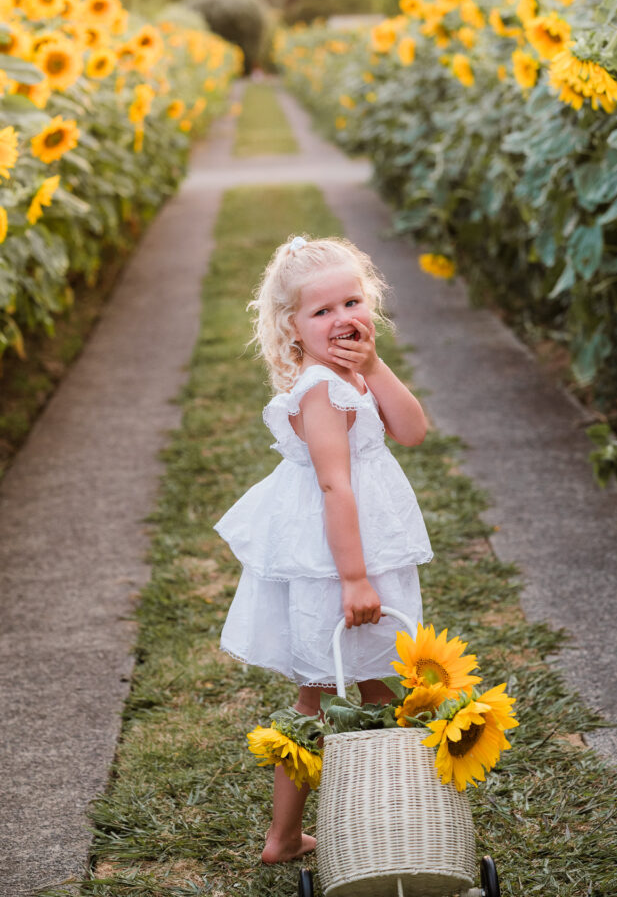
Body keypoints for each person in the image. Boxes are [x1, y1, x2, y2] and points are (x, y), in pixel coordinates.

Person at [213, 234, 433, 864]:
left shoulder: (354, 377)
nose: (343, 320)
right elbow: (335, 484)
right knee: (320, 696)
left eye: (352, 302)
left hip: (365, 546)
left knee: (372, 686)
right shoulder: (319, 390)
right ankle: (291, 835)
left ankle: (379, 815)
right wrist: (355, 579)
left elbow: (413, 430)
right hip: (336, 560)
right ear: (293, 330)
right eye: (322, 312)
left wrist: (374, 365)